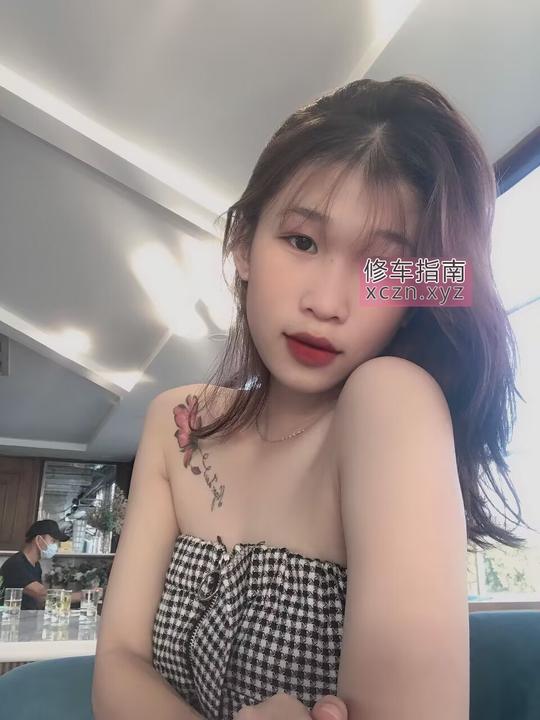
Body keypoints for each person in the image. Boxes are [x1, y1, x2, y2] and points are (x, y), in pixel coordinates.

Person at [92, 77, 531, 720]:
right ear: (243, 244)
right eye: (302, 241)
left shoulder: (392, 404)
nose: (326, 303)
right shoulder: (177, 422)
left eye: (382, 269)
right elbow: (117, 664)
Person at [0, 519, 84, 610]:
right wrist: (83, 595)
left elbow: (40, 600)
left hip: (26, 617)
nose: (56, 546)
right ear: (38, 539)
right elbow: (41, 594)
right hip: (11, 617)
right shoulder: (16, 564)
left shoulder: (36, 565)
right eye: (53, 541)